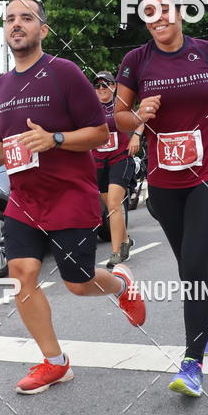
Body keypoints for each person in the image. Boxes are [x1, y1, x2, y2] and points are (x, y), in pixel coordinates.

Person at [0, 0, 145, 395]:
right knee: (22, 275)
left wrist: (56, 139)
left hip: (69, 195)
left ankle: (121, 285)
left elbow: (101, 132)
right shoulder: (1, 87)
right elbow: (7, 143)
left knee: (78, 282)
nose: (16, 24)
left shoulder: (64, 73)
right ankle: (55, 362)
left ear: (42, 29)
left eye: (26, 18)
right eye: (10, 18)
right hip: (25, 199)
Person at [115, 0, 208, 399]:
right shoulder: (135, 61)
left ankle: (192, 365)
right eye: (149, 11)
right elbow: (117, 118)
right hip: (165, 181)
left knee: (192, 263)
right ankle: (205, 322)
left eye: (166, 8)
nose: (159, 17)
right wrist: (137, 116)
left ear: (182, 11)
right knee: (191, 267)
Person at [91, 71, 139, 268]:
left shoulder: (121, 104)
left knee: (113, 204)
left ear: (114, 86)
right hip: (98, 162)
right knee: (109, 207)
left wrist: (136, 136)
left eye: (106, 84)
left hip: (120, 158)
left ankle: (116, 252)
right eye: (98, 86)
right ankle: (126, 241)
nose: (102, 89)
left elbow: (140, 119)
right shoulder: (89, 108)